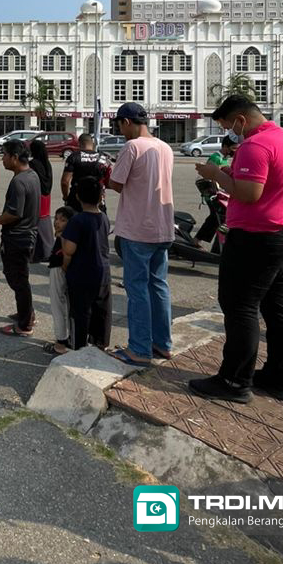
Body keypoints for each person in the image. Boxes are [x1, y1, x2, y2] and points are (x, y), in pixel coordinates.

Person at [191, 95, 283, 403]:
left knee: (240, 307)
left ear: (241, 120)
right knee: (279, 308)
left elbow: (248, 194)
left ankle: (234, 381)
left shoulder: (255, 145)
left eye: (228, 126)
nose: (230, 133)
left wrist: (216, 175)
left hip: (260, 239)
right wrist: (232, 173)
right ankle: (279, 378)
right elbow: (271, 183)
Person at [107, 103, 175, 368]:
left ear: (126, 122)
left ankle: (139, 349)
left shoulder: (132, 147)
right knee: (158, 286)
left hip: (137, 228)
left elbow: (116, 183)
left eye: (119, 125)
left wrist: (108, 172)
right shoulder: (165, 147)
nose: (120, 130)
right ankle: (162, 343)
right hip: (162, 227)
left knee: (137, 290)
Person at [0, 138, 41, 335]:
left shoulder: (19, 182)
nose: (2, 158)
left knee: (18, 280)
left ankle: (24, 324)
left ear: (14, 157)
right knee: (18, 278)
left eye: (4, 154)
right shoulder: (32, 175)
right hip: (27, 235)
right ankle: (27, 313)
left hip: (18, 237)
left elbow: (14, 213)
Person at [61, 178, 113, 351]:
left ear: (77, 196)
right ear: (100, 197)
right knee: (101, 311)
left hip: (82, 273)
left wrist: (65, 265)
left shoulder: (78, 220)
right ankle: (100, 343)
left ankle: (79, 346)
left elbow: (69, 250)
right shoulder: (104, 218)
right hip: (103, 272)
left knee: (80, 312)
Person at [46, 206, 76, 356]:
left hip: (58, 269)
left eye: (63, 220)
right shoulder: (64, 235)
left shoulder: (65, 236)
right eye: (56, 218)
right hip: (60, 269)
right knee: (64, 304)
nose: (57, 222)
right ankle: (67, 336)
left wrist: (64, 267)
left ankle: (60, 341)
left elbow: (66, 254)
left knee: (57, 303)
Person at [61, 134, 111, 212]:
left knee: (76, 219)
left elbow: (65, 182)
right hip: (97, 198)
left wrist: (65, 197)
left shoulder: (73, 157)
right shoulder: (103, 158)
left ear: (79, 144)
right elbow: (109, 182)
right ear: (93, 144)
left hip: (77, 198)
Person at [30, 137, 55, 262]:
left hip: (37, 196)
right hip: (47, 195)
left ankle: (38, 253)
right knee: (45, 223)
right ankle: (48, 250)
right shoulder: (47, 163)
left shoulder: (33, 164)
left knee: (35, 225)